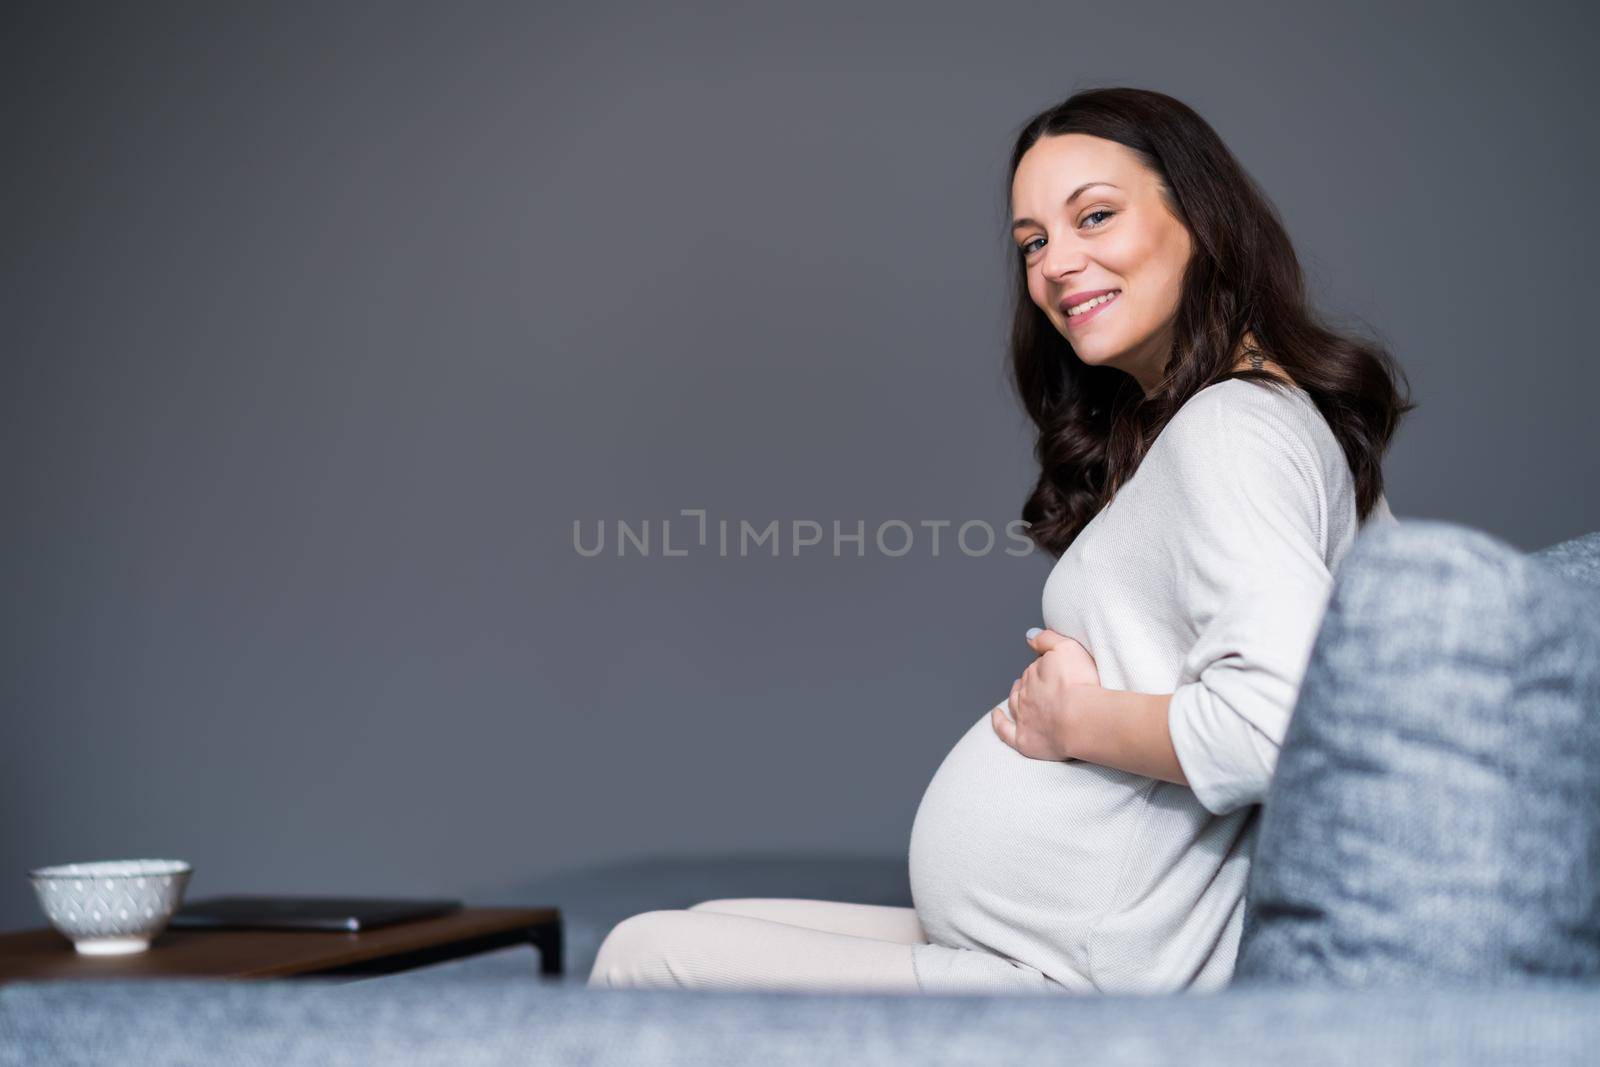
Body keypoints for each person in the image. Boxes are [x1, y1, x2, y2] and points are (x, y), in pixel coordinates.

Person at [587, 86, 1414, 995]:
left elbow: (1280, 726)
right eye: (1033, 242)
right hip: (1066, 947)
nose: (1058, 263)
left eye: (1093, 216)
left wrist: (1077, 721)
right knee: (704, 928)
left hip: (1088, 978)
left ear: (1200, 218)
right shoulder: (1232, 423)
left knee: (643, 956)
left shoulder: (1234, 429)